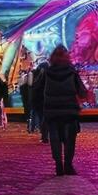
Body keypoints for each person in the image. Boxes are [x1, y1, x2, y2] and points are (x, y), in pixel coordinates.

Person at [34, 45, 88, 175]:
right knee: (70, 139)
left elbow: (37, 90)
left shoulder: (47, 72)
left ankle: (58, 164)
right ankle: (68, 165)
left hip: (52, 111)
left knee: (55, 138)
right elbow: (81, 91)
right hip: (69, 111)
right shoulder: (72, 72)